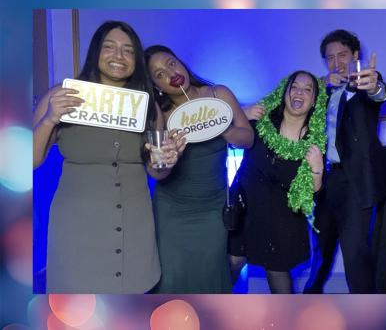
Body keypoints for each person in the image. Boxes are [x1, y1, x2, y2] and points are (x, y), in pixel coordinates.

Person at [33, 21, 184, 293]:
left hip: (135, 230)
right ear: (96, 52)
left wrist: (166, 162)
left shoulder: (148, 108)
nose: (119, 56)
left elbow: (157, 171)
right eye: (110, 47)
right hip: (78, 231)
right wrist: (48, 120)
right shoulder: (62, 96)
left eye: (128, 50)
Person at [144, 45, 255, 293]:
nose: (170, 73)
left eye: (171, 63)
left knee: (209, 274)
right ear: (156, 86)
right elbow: (157, 172)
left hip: (212, 207)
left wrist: (220, 127)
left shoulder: (218, 95)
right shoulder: (162, 114)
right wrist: (169, 158)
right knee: (172, 277)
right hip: (172, 209)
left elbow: (248, 139)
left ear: (181, 62)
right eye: (159, 74)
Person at [300, 29, 386, 293]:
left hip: (355, 182)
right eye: (330, 58)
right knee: (321, 252)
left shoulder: (366, 83)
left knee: (355, 255)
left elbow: (379, 93)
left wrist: (374, 86)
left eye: (342, 55)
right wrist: (321, 84)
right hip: (322, 179)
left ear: (355, 55)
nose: (337, 62)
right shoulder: (322, 90)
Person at [228, 71, 326, 294]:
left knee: (277, 270)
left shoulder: (314, 140)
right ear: (285, 92)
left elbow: (313, 191)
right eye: (294, 87)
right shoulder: (261, 121)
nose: (299, 92)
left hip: (283, 215)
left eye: (307, 89)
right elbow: (226, 134)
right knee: (234, 260)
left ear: (314, 102)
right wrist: (241, 115)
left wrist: (317, 168)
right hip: (247, 206)